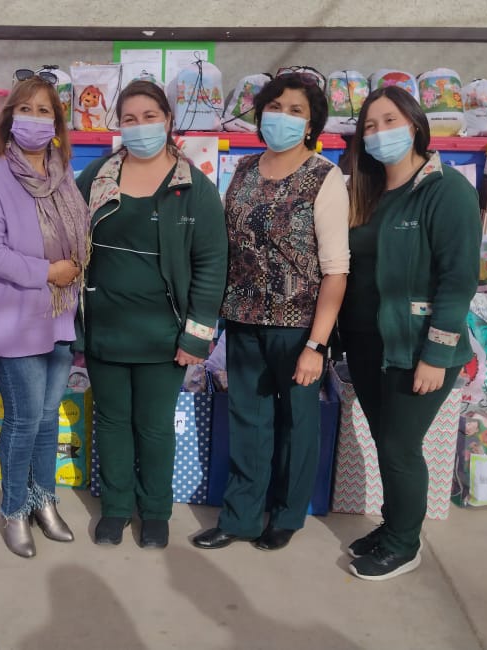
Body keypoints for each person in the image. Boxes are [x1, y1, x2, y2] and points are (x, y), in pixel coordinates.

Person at [191, 73, 350, 552]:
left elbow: (336, 271)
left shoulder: (324, 177)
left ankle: (286, 516)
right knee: (248, 422)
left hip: (298, 328)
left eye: (296, 110)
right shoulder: (243, 170)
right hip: (242, 321)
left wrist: (317, 345)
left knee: (298, 424)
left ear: (311, 124)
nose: (283, 117)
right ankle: (239, 517)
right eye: (275, 107)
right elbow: (224, 244)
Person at [75, 80, 228, 549]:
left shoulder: (193, 187)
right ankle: (117, 508)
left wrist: (196, 337)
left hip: (165, 335)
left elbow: (211, 265)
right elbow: (68, 237)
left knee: (155, 426)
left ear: (167, 120)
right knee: (112, 422)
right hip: (105, 329)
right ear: (118, 125)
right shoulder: (97, 176)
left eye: (149, 117)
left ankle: (156, 511)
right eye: (129, 118)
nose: (139, 127)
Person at [338, 86, 480, 581]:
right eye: (369, 126)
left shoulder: (446, 190)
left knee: (400, 446)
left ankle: (404, 544)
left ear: (416, 125)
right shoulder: (366, 190)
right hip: (366, 344)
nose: (379, 133)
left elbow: (458, 279)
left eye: (390, 121)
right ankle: (393, 525)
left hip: (416, 347)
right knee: (386, 441)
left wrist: (437, 353)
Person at [0, 77, 90, 558]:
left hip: (58, 316)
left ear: (56, 122)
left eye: (44, 110)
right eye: (25, 109)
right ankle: (15, 508)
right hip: (14, 319)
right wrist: (48, 272)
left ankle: (44, 501)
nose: (34, 118)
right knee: (23, 420)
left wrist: (70, 271)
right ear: (9, 119)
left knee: (47, 417)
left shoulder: (62, 173)